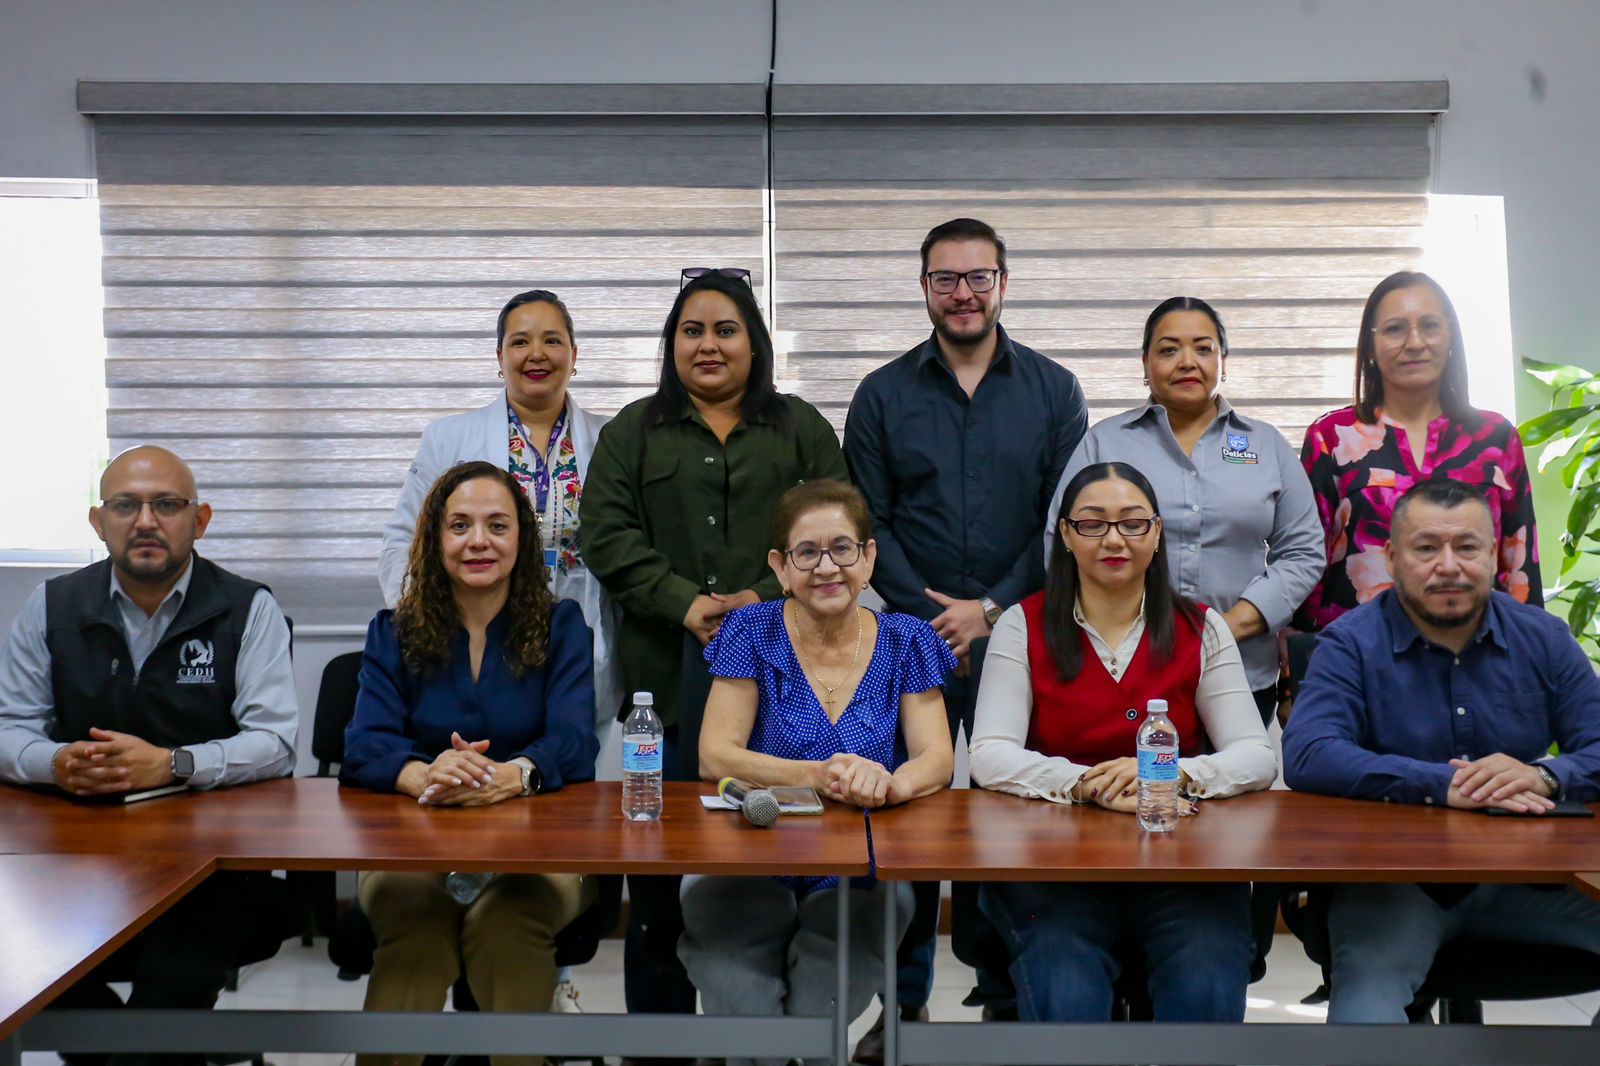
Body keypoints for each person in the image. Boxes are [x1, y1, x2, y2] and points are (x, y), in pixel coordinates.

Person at [581, 270, 847, 1030]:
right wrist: (685, 603)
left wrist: (763, 602)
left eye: (725, 330)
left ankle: (778, 1028)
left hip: (792, 685)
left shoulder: (799, 426)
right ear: (671, 345)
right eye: (691, 331)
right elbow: (605, 533)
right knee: (660, 878)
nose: (708, 345)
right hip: (663, 687)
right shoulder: (634, 430)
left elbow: (841, 527)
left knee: (790, 863)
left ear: (754, 343)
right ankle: (658, 1041)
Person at [843, 216, 1087, 1045]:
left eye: (978, 277)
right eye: (946, 279)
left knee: (1013, 811)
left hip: (1023, 633)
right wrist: (932, 611)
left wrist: (991, 611)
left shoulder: (1055, 390)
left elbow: (1064, 521)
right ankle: (901, 1000)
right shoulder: (881, 394)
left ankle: (1007, 992)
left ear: (1004, 284)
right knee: (906, 816)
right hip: (909, 639)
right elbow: (866, 518)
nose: (963, 293)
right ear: (923, 289)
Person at [0, 444, 298, 1065]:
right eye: (125, 505)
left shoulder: (248, 608)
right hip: (76, 858)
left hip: (211, 866)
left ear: (201, 519)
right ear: (97, 520)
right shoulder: (51, 607)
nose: (145, 521)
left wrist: (174, 764)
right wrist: (54, 763)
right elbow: (10, 730)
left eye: (167, 505)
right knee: (19, 954)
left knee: (178, 968)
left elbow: (275, 742)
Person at [1282, 478, 1600, 1024]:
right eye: (1426, 548)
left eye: (1467, 547)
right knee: (1366, 1012)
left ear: (1495, 553)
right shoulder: (1350, 644)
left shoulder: (1543, 639)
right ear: (1392, 557)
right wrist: (1440, 784)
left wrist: (1544, 776)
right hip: (1395, 884)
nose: (1448, 565)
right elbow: (1310, 752)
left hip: (1529, 879)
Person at [969, 462, 1276, 1022]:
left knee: (1206, 978)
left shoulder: (1202, 627)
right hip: (1054, 869)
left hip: (1182, 866)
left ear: (1157, 534)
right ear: (1064, 535)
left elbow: (1255, 755)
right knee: (1066, 987)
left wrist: (1173, 775)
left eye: (1134, 523)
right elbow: (989, 752)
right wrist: (1087, 784)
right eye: (1093, 524)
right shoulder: (1022, 624)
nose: (1114, 539)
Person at [679, 479, 955, 1066]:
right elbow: (715, 754)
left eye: (843, 549)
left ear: (869, 557)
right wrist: (816, 775)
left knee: (815, 1013)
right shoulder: (749, 632)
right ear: (780, 567)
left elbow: (936, 759)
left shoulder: (907, 639)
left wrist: (890, 782)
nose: (826, 567)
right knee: (746, 1002)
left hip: (861, 872)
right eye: (807, 553)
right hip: (748, 859)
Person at [342, 461, 600, 1066]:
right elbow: (364, 744)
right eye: (459, 525)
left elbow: (574, 742)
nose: (478, 541)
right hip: (414, 850)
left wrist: (516, 774)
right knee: (415, 931)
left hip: (540, 854)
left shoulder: (562, 627)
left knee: (507, 928)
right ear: (435, 540)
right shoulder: (394, 630)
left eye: (496, 525)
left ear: (522, 539)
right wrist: (422, 774)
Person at [1045, 296, 1324, 722]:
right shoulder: (1106, 444)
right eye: (1169, 349)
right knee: (1129, 785)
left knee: (1230, 784)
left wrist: (1230, 627)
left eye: (1204, 348)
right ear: (1145, 364)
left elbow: (1303, 552)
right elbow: (1061, 543)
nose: (1187, 362)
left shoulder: (1266, 446)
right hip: (1124, 669)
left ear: (1224, 361)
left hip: (1239, 667)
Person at [378, 288, 620, 732]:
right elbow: (401, 543)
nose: (537, 354)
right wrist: (426, 625)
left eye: (551, 340)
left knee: (572, 774)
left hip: (584, 646)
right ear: (500, 355)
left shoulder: (614, 439)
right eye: (520, 341)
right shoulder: (449, 438)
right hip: (476, 643)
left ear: (574, 353)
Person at [1298, 270, 1540, 630]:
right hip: (1358, 656)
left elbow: (1518, 564)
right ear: (1369, 346)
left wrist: (1531, 648)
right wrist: (1300, 650)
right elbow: (1307, 559)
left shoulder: (1496, 437)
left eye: (1429, 325)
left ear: (1451, 337)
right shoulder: (1331, 437)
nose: (1414, 342)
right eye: (1395, 329)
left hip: (1475, 654)